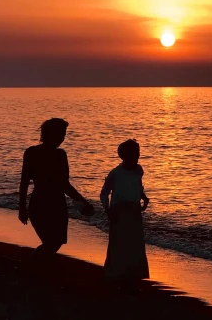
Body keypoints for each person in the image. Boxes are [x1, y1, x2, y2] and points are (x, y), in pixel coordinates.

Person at [18, 118, 94, 261]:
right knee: (51, 242)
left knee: (55, 242)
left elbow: (64, 184)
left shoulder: (59, 154)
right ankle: (31, 267)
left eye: (64, 134)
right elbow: (25, 181)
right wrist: (22, 207)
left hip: (56, 203)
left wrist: (81, 200)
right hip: (41, 203)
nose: (62, 138)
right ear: (49, 134)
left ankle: (35, 268)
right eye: (61, 134)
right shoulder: (33, 152)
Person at [100, 139, 150, 289]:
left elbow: (137, 187)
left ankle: (133, 275)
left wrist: (144, 198)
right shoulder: (116, 173)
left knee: (135, 244)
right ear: (124, 156)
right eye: (135, 152)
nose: (138, 155)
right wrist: (107, 209)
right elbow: (104, 193)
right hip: (119, 211)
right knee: (118, 243)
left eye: (138, 152)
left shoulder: (138, 170)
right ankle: (115, 275)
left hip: (134, 210)